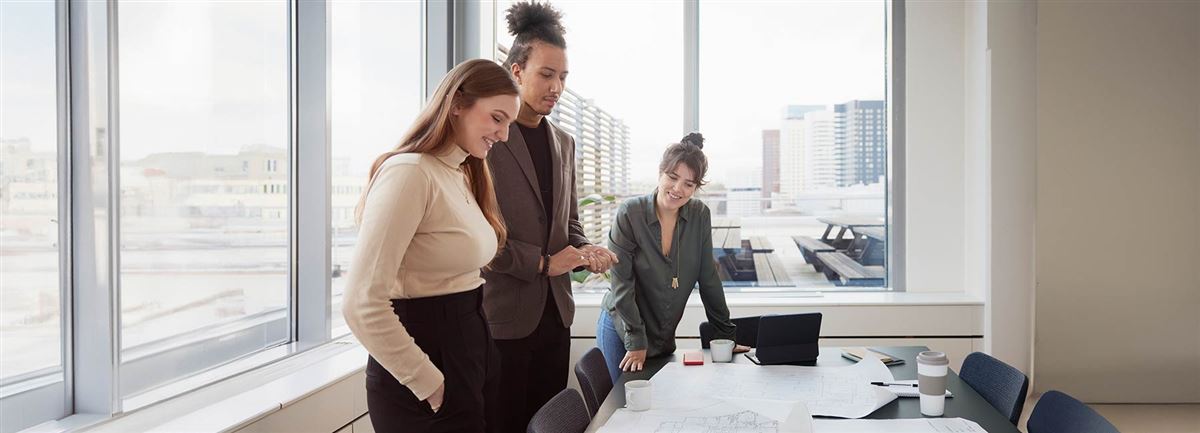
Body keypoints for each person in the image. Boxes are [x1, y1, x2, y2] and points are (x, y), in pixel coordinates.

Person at [343, 59, 519, 433]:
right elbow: (361, 303)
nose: (503, 135)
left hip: (471, 348)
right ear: (457, 103)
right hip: (428, 364)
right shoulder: (410, 173)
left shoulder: (461, 174)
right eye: (497, 118)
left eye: (508, 124)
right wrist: (434, 387)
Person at [481, 2, 617, 432]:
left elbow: (568, 221)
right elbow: (481, 236)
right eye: (546, 74)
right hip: (504, 320)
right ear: (516, 72)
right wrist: (543, 263)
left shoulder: (565, 142)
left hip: (555, 317)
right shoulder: (488, 140)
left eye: (563, 77)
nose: (556, 86)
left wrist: (583, 248)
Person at [596, 133, 750, 382]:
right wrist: (635, 340)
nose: (678, 189)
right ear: (660, 173)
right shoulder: (630, 213)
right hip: (622, 329)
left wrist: (725, 336)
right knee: (622, 407)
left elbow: (708, 277)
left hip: (662, 334)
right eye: (673, 177)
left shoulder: (699, 215)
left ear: (696, 188)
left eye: (689, 184)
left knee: (658, 406)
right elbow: (621, 283)